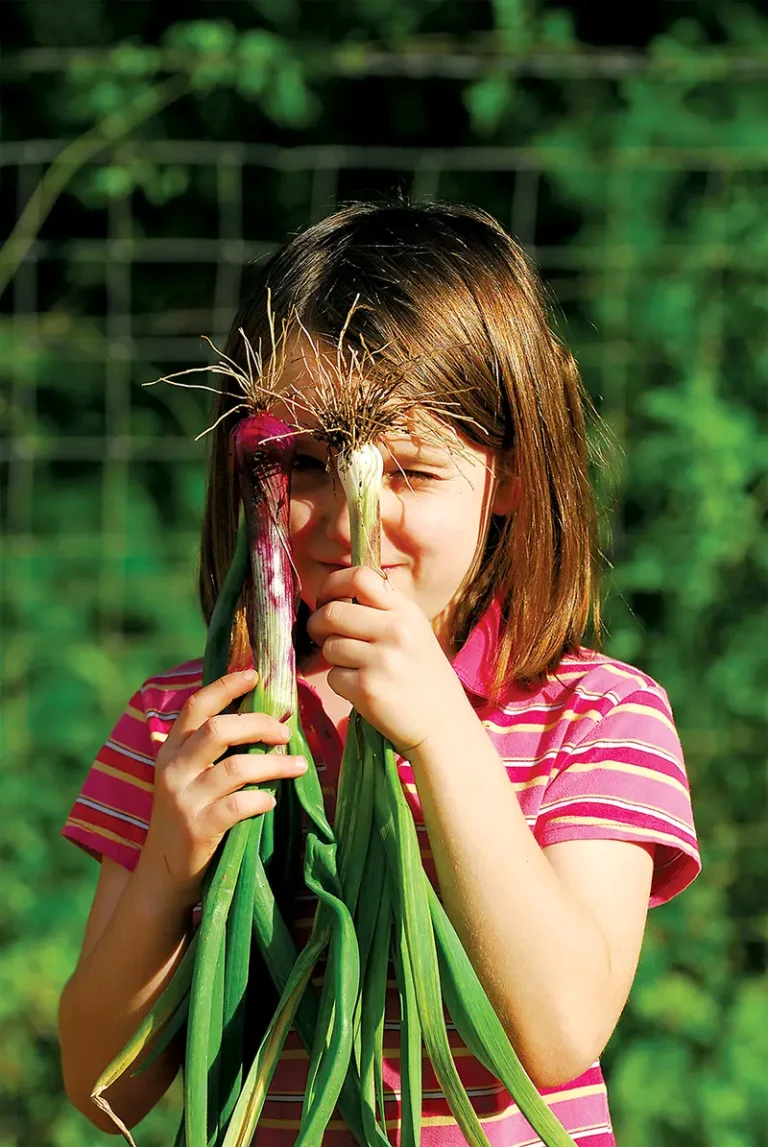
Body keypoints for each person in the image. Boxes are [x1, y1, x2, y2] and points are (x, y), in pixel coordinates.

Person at [57, 201, 701, 1147]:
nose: (345, 517)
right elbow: (102, 1087)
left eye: (409, 470)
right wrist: (168, 865)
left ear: (510, 477)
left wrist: (444, 736)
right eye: (303, 464)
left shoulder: (599, 716)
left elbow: (559, 1030)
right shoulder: (186, 724)